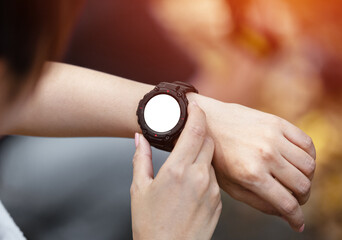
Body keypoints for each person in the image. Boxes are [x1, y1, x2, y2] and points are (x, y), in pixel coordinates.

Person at [0, 0, 315, 238]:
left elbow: (16, 92)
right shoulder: (115, 13)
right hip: (17, 166)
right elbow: (208, 104)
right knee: (168, 162)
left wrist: (210, 115)